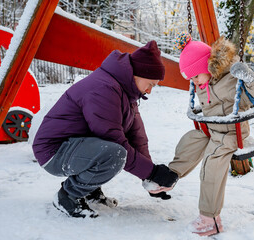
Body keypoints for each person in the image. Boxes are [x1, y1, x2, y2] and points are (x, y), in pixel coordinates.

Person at [32, 40, 178, 218]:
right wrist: (151, 172)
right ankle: (68, 196)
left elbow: (136, 136)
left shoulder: (127, 91)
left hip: (74, 146)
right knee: (114, 153)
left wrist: (150, 177)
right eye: (150, 84)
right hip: (54, 151)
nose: (149, 91)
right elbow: (112, 139)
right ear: (137, 74)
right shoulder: (104, 89)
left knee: (113, 152)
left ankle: (89, 191)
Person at [168, 33, 254, 236]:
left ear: (206, 67)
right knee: (190, 139)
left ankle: (210, 218)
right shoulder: (205, 82)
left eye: (194, 76)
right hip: (213, 128)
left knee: (211, 162)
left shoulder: (232, 78)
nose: (193, 82)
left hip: (232, 133)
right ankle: (169, 176)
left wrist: (250, 78)